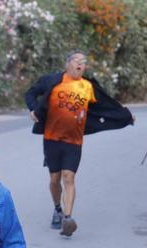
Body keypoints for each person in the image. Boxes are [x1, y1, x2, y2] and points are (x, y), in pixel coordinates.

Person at [24, 51, 133, 237]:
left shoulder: (88, 87)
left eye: (84, 62)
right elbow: (31, 93)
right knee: (54, 179)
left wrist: (125, 115)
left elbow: (107, 105)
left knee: (69, 177)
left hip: (74, 140)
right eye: (78, 61)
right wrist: (34, 109)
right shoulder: (53, 81)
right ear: (68, 64)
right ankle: (57, 208)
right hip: (52, 138)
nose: (81, 64)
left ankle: (68, 218)